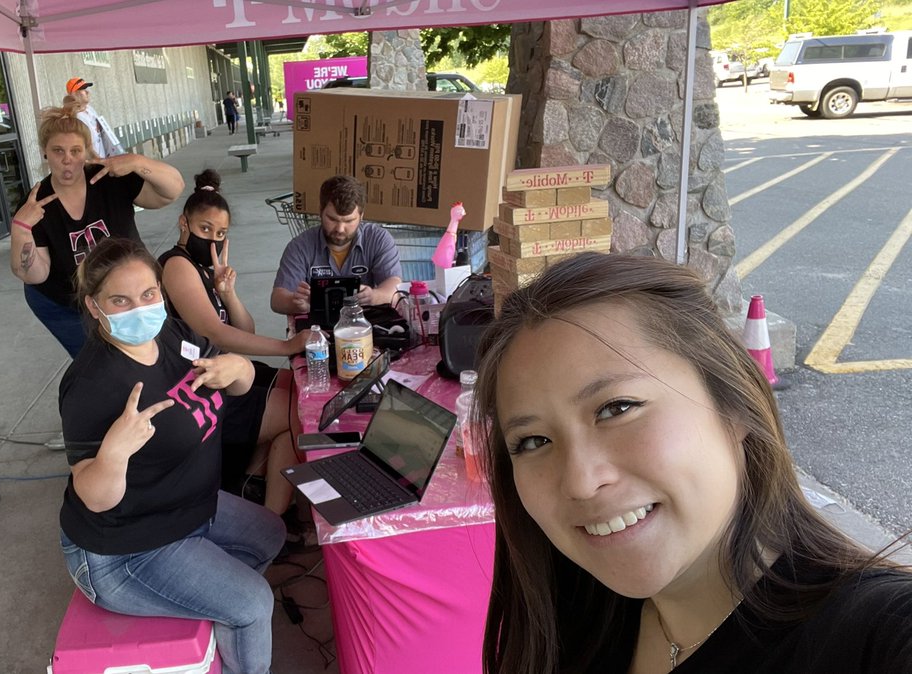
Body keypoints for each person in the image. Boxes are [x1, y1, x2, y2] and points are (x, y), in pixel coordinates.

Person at [472, 253, 912, 674]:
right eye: (533, 441)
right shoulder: (575, 619)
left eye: (617, 409)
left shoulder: (873, 636)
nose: (582, 482)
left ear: (734, 406)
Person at [59, 237, 284, 674]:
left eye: (148, 294)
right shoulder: (91, 385)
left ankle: (214, 612)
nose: (139, 309)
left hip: (189, 508)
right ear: (94, 306)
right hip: (126, 551)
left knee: (270, 533)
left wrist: (239, 368)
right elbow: (96, 496)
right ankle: (232, 627)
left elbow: (234, 382)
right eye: (120, 301)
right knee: (255, 603)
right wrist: (114, 454)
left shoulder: (170, 333)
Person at [158, 170, 305, 514]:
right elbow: (216, 333)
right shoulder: (178, 265)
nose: (213, 239)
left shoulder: (207, 267)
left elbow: (245, 331)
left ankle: (262, 498)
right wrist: (286, 346)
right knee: (297, 412)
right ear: (184, 223)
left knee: (298, 389)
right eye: (204, 229)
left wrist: (228, 292)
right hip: (200, 379)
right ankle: (272, 516)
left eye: (220, 233)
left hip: (229, 369)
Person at [10, 103, 183, 359]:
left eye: (75, 150)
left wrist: (137, 161)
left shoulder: (108, 179)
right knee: (101, 361)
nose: (67, 159)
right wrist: (21, 230)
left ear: (87, 151)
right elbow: (35, 273)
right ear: (44, 153)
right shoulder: (37, 201)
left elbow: (172, 191)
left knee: (153, 353)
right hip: (66, 304)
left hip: (129, 291)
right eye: (58, 151)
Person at [271, 175, 401, 315]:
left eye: (349, 221)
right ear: (320, 211)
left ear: (361, 216)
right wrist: (296, 302)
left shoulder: (378, 239)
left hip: (365, 322)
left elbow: (394, 287)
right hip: (317, 327)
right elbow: (277, 299)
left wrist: (373, 296)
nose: (340, 229)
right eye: (332, 219)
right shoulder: (300, 247)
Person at [65, 77, 126, 158]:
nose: (87, 92)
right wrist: (98, 161)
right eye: (83, 89)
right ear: (75, 94)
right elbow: (86, 146)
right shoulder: (76, 117)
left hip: (103, 157)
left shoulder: (89, 109)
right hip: (93, 162)